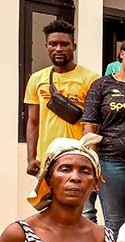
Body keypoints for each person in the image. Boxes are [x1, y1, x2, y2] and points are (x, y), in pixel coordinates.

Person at [83, 38, 125, 234]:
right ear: (122, 54)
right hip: (110, 162)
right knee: (115, 221)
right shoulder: (101, 85)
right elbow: (90, 128)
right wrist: (93, 164)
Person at [24, 20, 96, 176]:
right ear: (46, 47)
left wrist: (91, 157)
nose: (58, 49)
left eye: (64, 44)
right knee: (46, 201)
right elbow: (33, 121)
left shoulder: (91, 79)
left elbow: (95, 124)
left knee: (82, 201)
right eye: (53, 44)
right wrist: (31, 158)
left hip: (79, 159)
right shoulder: (37, 79)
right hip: (47, 159)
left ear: (74, 47)